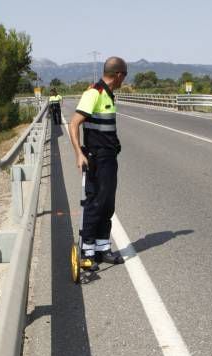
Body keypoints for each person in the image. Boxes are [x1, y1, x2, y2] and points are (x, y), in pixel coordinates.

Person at [68, 56, 128, 271]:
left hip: (109, 158)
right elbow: (74, 124)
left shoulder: (109, 95)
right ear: (118, 75)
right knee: (95, 204)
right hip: (96, 158)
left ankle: (102, 249)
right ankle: (87, 252)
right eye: (124, 76)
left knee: (107, 204)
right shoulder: (94, 93)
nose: (124, 80)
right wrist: (78, 154)